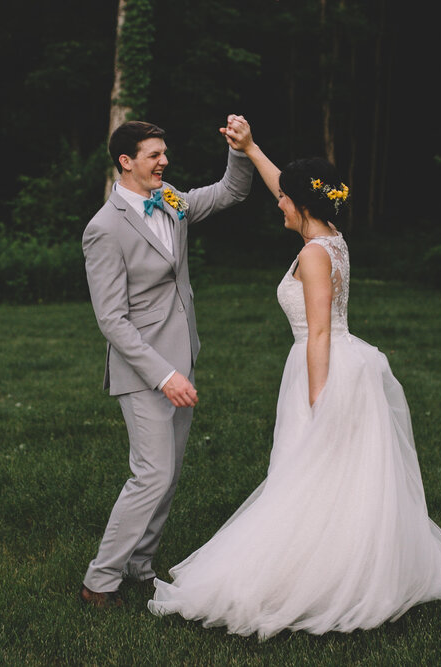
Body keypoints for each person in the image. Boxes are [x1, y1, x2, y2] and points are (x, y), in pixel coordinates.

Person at [147, 119, 441, 638]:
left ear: (302, 205)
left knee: (309, 473)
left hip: (324, 369)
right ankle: (340, 565)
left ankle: (313, 579)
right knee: (331, 481)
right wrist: (250, 149)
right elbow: (287, 188)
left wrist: (319, 401)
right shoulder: (330, 236)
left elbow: (318, 333)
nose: (277, 203)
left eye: (284, 199)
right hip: (343, 361)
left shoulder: (315, 255)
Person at [80, 116, 254, 608]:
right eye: (155, 154)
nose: (164, 161)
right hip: (144, 370)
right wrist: (164, 375)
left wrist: (239, 150)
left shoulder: (171, 198)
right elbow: (112, 321)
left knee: (170, 471)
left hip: (183, 354)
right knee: (151, 472)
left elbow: (227, 194)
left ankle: (140, 564)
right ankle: (100, 580)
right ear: (126, 161)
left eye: (164, 152)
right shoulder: (105, 229)